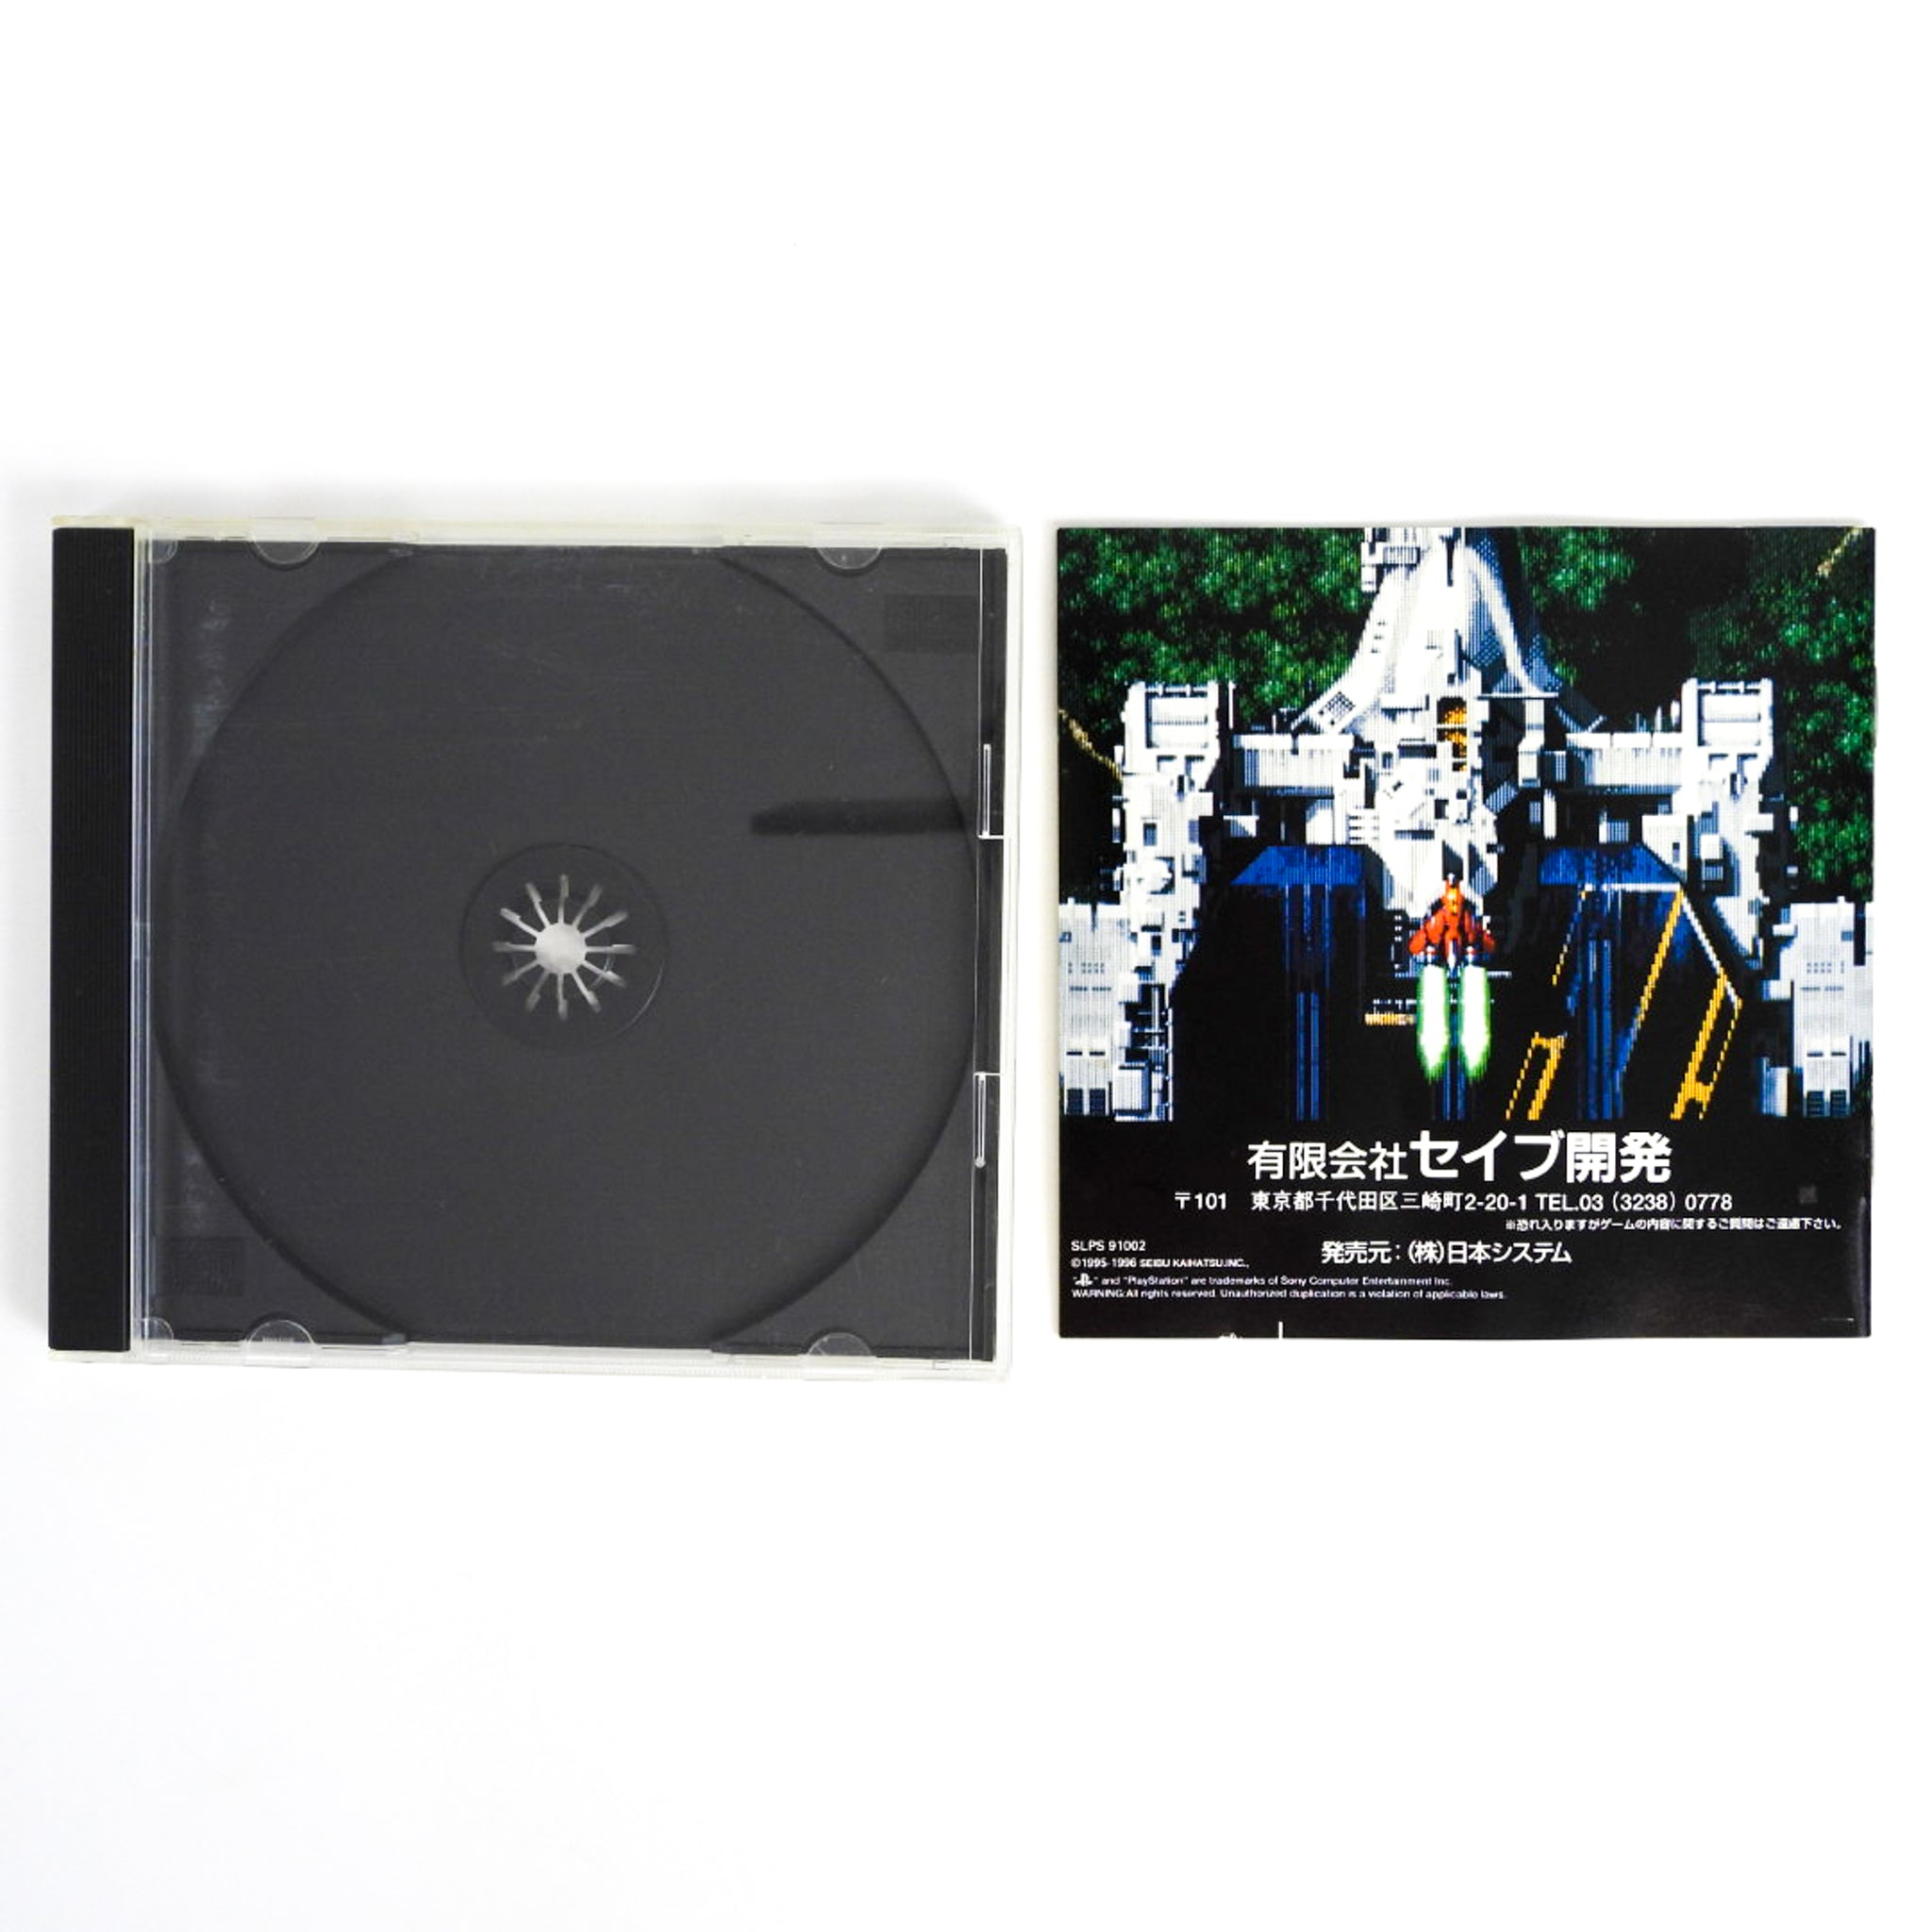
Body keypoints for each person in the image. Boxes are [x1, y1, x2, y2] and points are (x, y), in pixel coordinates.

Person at [1407, 874, 1494, 968]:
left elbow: (1477, 905)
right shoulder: (1439, 916)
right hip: (1441, 935)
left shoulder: (1467, 918)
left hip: (1462, 932)